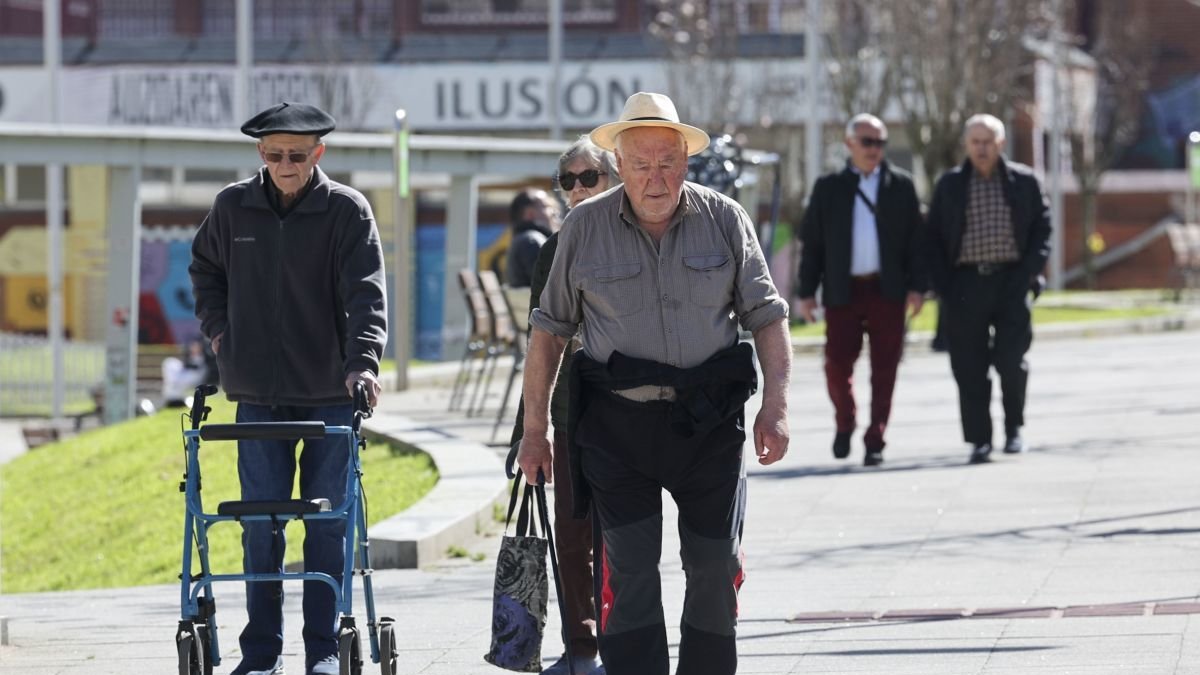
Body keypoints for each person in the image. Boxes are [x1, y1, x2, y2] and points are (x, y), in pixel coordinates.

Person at [516, 92, 791, 675]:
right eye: (641, 164)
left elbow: (767, 316)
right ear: (619, 165)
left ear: (685, 162)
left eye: (667, 162)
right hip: (619, 429)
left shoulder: (725, 219)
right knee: (632, 572)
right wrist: (534, 431)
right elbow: (548, 334)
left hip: (709, 423)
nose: (655, 177)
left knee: (714, 567)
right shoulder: (583, 228)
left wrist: (777, 406)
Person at [189, 101, 387, 675]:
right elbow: (204, 268)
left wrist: (363, 364)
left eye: (297, 156)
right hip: (257, 392)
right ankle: (260, 654)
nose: (285, 165)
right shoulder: (232, 207)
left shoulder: (347, 211)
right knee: (260, 524)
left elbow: (366, 296)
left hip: (328, 390)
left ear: (317, 154)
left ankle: (322, 650)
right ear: (260, 154)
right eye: (274, 155)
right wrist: (220, 330)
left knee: (326, 523)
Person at [509, 135, 620, 675]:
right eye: (569, 180)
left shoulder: (629, 239)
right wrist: (529, 430)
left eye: (589, 177)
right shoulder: (553, 251)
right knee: (573, 533)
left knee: (621, 534)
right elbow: (540, 343)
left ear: (612, 180)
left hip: (625, 413)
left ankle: (623, 629)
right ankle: (580, 640)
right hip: (570, 413)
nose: (578, 188)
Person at [798, 114, 925, 467]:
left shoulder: (901, 186)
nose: (874, 149)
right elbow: (813, 244)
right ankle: (845, 420)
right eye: (867, 142)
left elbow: (917, 241)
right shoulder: (829, 187)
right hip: (844, 290)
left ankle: (875, 439)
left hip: (888, 291)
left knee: (886, 369)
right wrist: (806, 292)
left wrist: (918, 287)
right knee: (836, 365)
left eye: (880, 143)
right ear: (849, 144)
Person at [926, 113, 1050, 465]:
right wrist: (943, 285)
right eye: (975, 142)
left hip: (1011, 280)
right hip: (964, 285)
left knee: (1012, 361)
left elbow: (1043, 227)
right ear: (966, 145)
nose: (981, 148)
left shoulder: (1024, 182)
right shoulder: (950, 185)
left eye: (988, 141)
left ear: (1001, 144)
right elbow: (932, 237)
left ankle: (1014, 429)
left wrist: (1028, 272)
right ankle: (979, 439)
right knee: (969, 366)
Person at [505, 188, 561, 287]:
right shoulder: (532, 241)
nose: (554, 213)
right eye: (547, 206)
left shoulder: (524, 239)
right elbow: (554, 285)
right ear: (530, 213)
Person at [161, 337, 217, 407]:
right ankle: (173, 397)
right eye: (193, 345)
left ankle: (175, 396)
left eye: (196, 346)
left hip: (194, 376)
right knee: (169, 362)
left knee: (174, 385)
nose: (194, 347)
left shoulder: (203, 358)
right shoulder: (188, 357)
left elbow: (200, 369)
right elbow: (184, 365)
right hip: (182, 376)